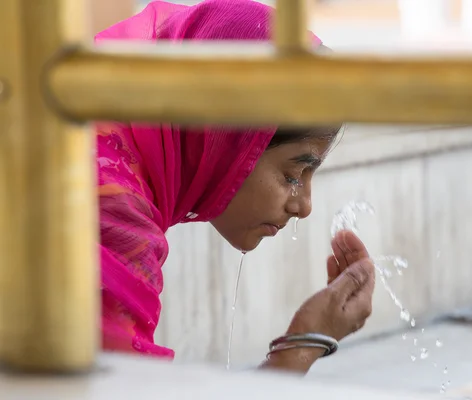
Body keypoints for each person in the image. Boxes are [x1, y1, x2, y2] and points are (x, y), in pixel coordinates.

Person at [97, 0, 375, 374]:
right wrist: (307, 341)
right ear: (229, 140)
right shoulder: (112, 215)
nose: (304, 206)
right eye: (293, 175)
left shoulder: (98, 154)